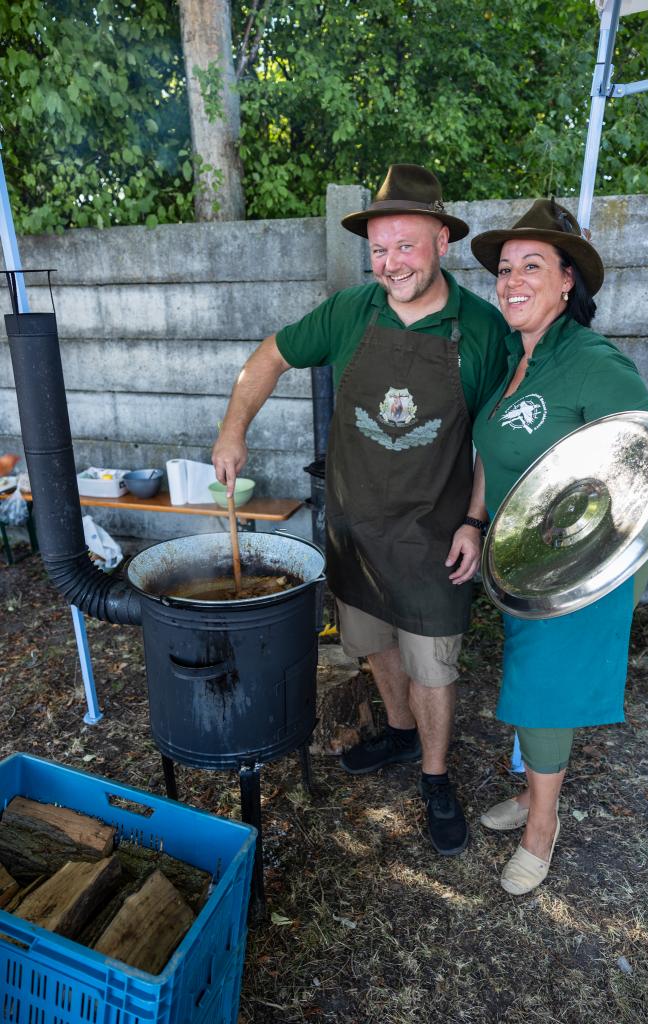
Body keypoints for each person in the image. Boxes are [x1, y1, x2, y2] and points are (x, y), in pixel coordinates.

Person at [212, 164, 508, 856]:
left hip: (434, 535)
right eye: (378, 249)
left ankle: (435, 776)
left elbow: (496, 440)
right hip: (356, 527)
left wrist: (474, 521)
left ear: (441, 241)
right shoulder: (349, 312)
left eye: (405, 246)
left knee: (433, 665)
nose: (390, 263)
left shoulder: (483, 329)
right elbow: (267, 358)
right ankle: (400, 735)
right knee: (374, 644)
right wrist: (233, 428)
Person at [469, 199, 648, 894]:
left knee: (539, 690)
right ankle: (530, 793)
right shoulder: (517, 358)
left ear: (567, 279)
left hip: (583, 565)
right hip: (521, 559)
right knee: (532, 680)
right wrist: (473, 522)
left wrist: (583, 556)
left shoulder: (592, 363)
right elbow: (492, 453)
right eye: (505, 268)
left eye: (531, 266)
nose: (512, 280)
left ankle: (541, 827)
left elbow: (644, 463)